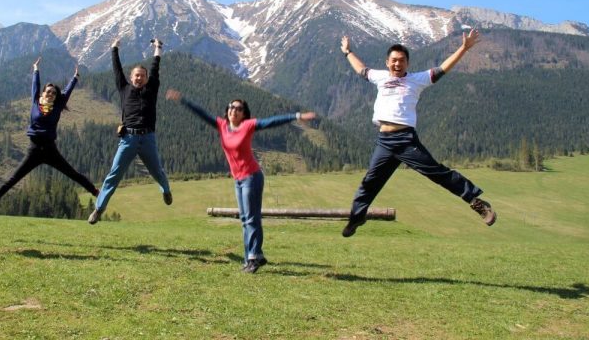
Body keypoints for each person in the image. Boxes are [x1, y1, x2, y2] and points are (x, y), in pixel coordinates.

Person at [339, 28, 496, 237]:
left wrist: (464, 48)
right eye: (393, 60)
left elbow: (442, 69)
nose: (397, 64)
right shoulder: (380, 77)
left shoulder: (417, 79)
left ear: (407, 63)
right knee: (370, 182)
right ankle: (357, 218)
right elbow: (361, 69)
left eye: (401, 60)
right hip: (384, 141)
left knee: (437, 172)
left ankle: (477, 202)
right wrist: (348, 52)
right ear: (387, 62)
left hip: (405, 140)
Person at [166, 89, 316, 273]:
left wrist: (297, 115)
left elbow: (272, 122)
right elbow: (202, 113)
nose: (233, 110)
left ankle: (252, 258)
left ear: (244, 113)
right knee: (246, 219)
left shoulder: (248, 126)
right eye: (231, 107)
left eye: (238, 108)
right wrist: (183, 100)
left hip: (252, 177)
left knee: (251, 218)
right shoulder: (221, 125)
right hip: (238, 179)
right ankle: (254, 256)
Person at [0, 57, 99, 212]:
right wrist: (36, 69)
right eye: (48, 91)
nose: (51, 94)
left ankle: (96, 192)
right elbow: (35, 85)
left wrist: (75, 77)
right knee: (14, 178)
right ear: (43, 93)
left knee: (72, 173)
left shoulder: (58, 105)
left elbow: (67, 92)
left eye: (53, 93)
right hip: (34, 149)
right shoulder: (35, 102)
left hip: (50, 150)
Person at [88, 38, 173, 224]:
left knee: (157, 171)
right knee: (114, 175)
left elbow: (156, 65)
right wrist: (114, 48)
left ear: (147, 78)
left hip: (148, 138)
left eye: (143, 75)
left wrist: (158, 48)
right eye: (136, 75)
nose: (139, 78)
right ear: (131, 77)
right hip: (128, 139)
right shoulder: (124, 88)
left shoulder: (152, 89)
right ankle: (99, 209)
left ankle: (166, 191)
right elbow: (116, 68)